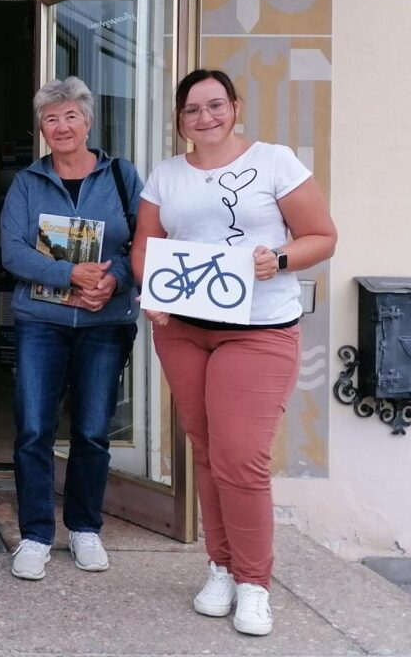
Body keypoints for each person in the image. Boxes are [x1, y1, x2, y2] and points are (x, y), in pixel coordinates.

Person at [131, 69, 337, 636]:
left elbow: (322, 234)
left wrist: (281, 258)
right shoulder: (166, 176)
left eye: (215, 105)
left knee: (242, 457)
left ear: (234, 106)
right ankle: (219, 567)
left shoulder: (275, 162)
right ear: (179, 122)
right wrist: (153, 292)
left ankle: (254, 582)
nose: (205, 117)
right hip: (184, 329)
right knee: (206, 451)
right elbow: (146, 245)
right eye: (192, 110)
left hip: (258, 329)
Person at [0, 77, 141, 581]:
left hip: (106, 322)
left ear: (88, 121)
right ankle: (36, 534)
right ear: (42, 127)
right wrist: (69, 273)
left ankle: (84, 528)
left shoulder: (123, 176)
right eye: (51, 118)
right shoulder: (27, 182)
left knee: (92, 431)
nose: (62, 127)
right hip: (41, 322)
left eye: (70, 117)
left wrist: (114, 280)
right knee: (34, 430)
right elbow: (12, 251)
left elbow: (144, 242)